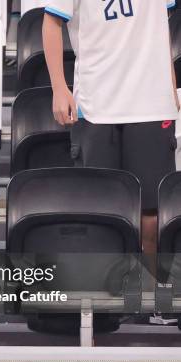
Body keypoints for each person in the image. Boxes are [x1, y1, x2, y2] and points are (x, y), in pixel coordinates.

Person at [43, 0, 179, 265]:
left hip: (151, 103)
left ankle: (151, 293)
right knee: (100, 209)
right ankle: (107, 294)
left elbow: (160, 28)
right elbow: (51, 23)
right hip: (98, 103)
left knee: (152, 212)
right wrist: (59, 88)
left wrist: (170, 83)